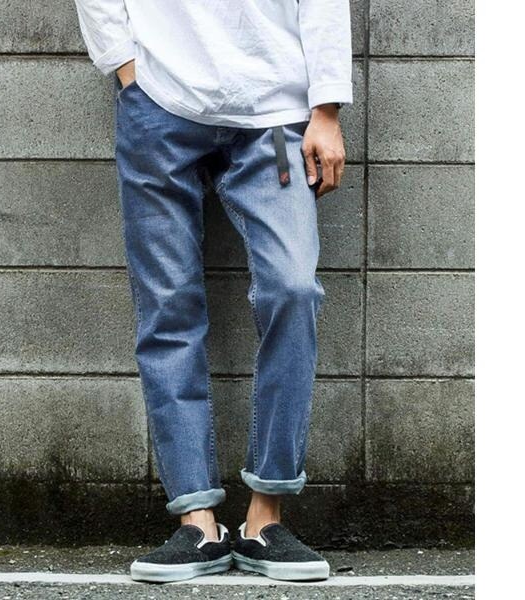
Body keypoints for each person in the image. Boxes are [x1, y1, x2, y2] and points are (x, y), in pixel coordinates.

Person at [74, 0, 352, 583]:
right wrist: (125, 67)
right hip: (159, 106)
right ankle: (196, 520)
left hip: (276, 116)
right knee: (167, 305)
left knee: (293, 288)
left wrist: (325, 108)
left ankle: (265, 518)